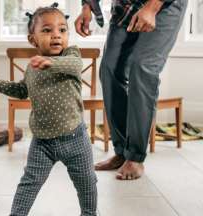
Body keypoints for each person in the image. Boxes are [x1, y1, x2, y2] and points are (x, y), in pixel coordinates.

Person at [0, 3, 97, 216]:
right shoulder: (32, 67)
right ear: (32, 39)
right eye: (47, 30)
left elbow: (75, 66)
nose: (56, 35)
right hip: (42, 142)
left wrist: (51, 62)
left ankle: (90, 214)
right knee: (30, 182)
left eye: (62, 30)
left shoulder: (71, 54)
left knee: (87, 182)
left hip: (75, 139)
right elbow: (22, 90)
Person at [75, 0, 187, 180]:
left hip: (165, 6)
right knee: (109, 69)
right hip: (126, 6)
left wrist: (152, 6)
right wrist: (87, 6)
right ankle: (122, 152)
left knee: (142, 68)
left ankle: (135, 157)